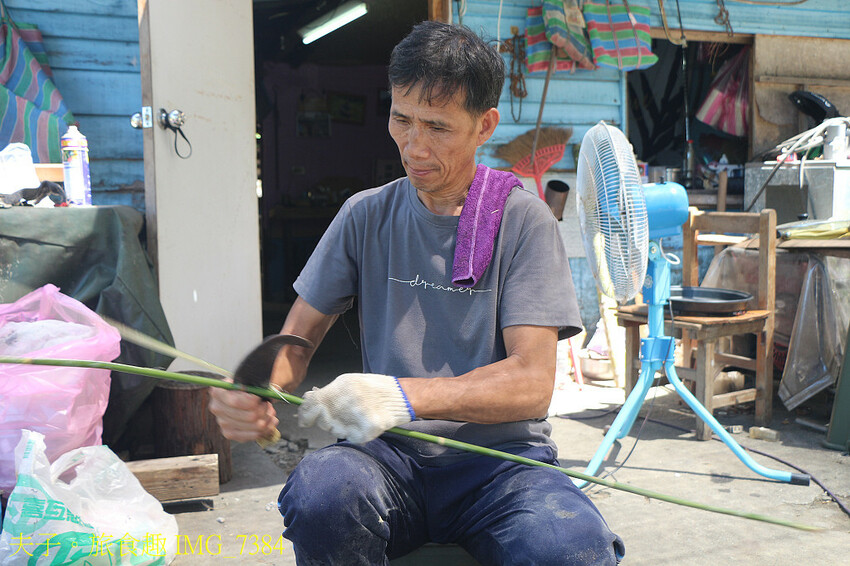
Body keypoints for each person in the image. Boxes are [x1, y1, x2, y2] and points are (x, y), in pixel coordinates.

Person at [209, 20, 625, 566]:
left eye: (437, 127)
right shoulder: (364, 214)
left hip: (500, 464)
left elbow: (530, 384)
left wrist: (399, 397)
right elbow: (299, 337)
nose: (413, 145)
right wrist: (257, 389)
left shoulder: (523, 221)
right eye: (401, 119)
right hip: (385, 458)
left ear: (484, 126)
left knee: (569, 546)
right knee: (322, 494)